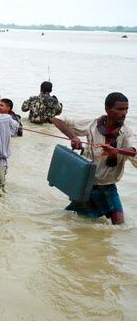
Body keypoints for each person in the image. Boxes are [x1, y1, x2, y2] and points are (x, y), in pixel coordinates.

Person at [52, 92, 136, 225]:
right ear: (107, 109)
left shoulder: (127, 133)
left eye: (126, 109)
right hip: (86, 184)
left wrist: (116, 151)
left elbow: (133, 150)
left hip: (108, 186)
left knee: (120, 225)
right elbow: (57, 119)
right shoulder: (92, 125)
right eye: (120, 109)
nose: (124, 113)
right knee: (82, 223)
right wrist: (73, 137)